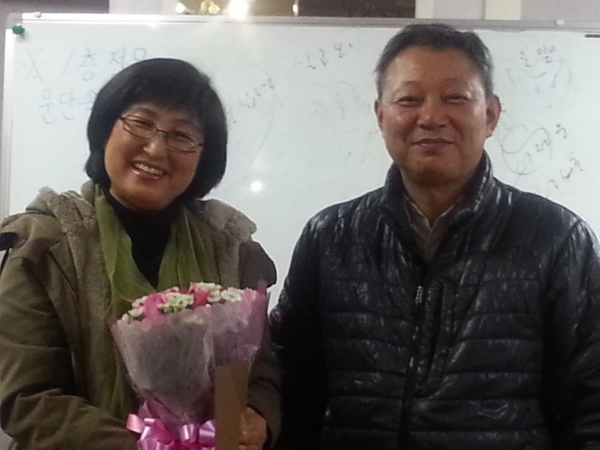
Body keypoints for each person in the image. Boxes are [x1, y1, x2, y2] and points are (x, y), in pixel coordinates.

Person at [270, 23, 600, 450]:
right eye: (409, 100)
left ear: (491, 114)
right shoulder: (329, 238)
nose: (430, 117)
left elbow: (590, 403)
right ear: (380, 115)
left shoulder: (557, 239)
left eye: (455, 98)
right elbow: (292, 390)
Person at [0, 58, 279, 450]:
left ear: (204, 155)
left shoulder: (232, 247)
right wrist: (150, 446)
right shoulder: (45, 244)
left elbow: (259, 371)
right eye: (141, 123)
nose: (156, 148)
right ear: (105, 129)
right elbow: (27, 397)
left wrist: (252, 420)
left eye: (182, 136)